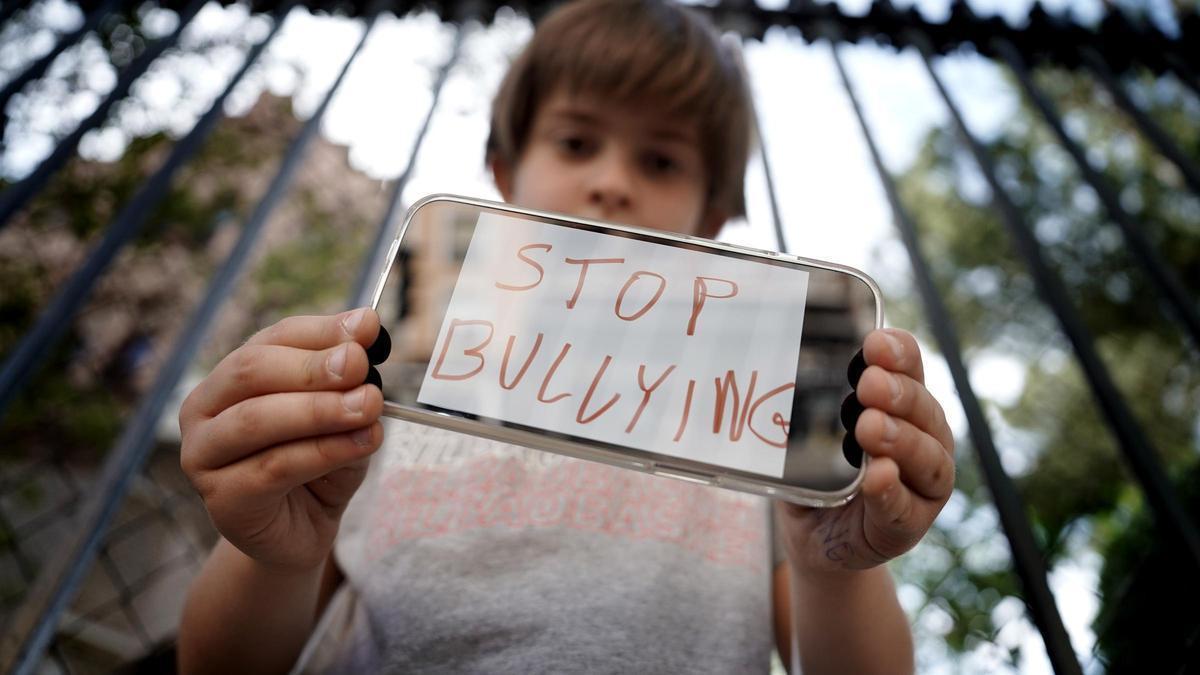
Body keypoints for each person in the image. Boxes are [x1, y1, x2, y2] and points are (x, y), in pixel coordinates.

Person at [177, 0, 956, 672]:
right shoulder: (390, 387)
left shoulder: (756, 426)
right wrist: (273, 553)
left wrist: (834, 570)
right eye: (576, 142)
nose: (612, 180)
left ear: (709, 224)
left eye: (660, 159)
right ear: (505, 174)